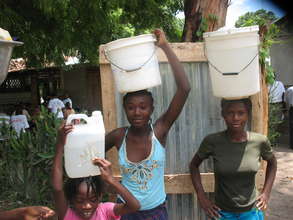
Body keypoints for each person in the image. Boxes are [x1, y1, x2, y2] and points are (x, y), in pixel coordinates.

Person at [105, 29, 190, 219]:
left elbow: (185, 88)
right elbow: (90, 154)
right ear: (125, 109)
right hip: (125, 211)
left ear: (152, 109)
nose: (137, 112)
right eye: (131, 107)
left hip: (156, 212)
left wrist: (165, 46)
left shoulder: (159, 131)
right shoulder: (119, 136)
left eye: (143, 107)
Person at [189, 98, 277, 220]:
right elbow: (193, 166)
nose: (235, 118)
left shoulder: (259, 141)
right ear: (223, 114)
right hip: (222, 213)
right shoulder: (213, 141)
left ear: (248, 114)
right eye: (230, 113)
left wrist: (266, 193)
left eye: (241, 113)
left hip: (251, 212)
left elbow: (272, 163)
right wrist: (202, 197)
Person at [52, 123, 140, 220]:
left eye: (93, 199)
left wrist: (111, 180)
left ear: (100, 196)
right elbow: (57, 189)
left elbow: (134, 206)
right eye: (80, 200)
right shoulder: (67, 214)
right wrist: (60, 144)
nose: (87, 206)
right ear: (71, 199)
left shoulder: (105, 211)